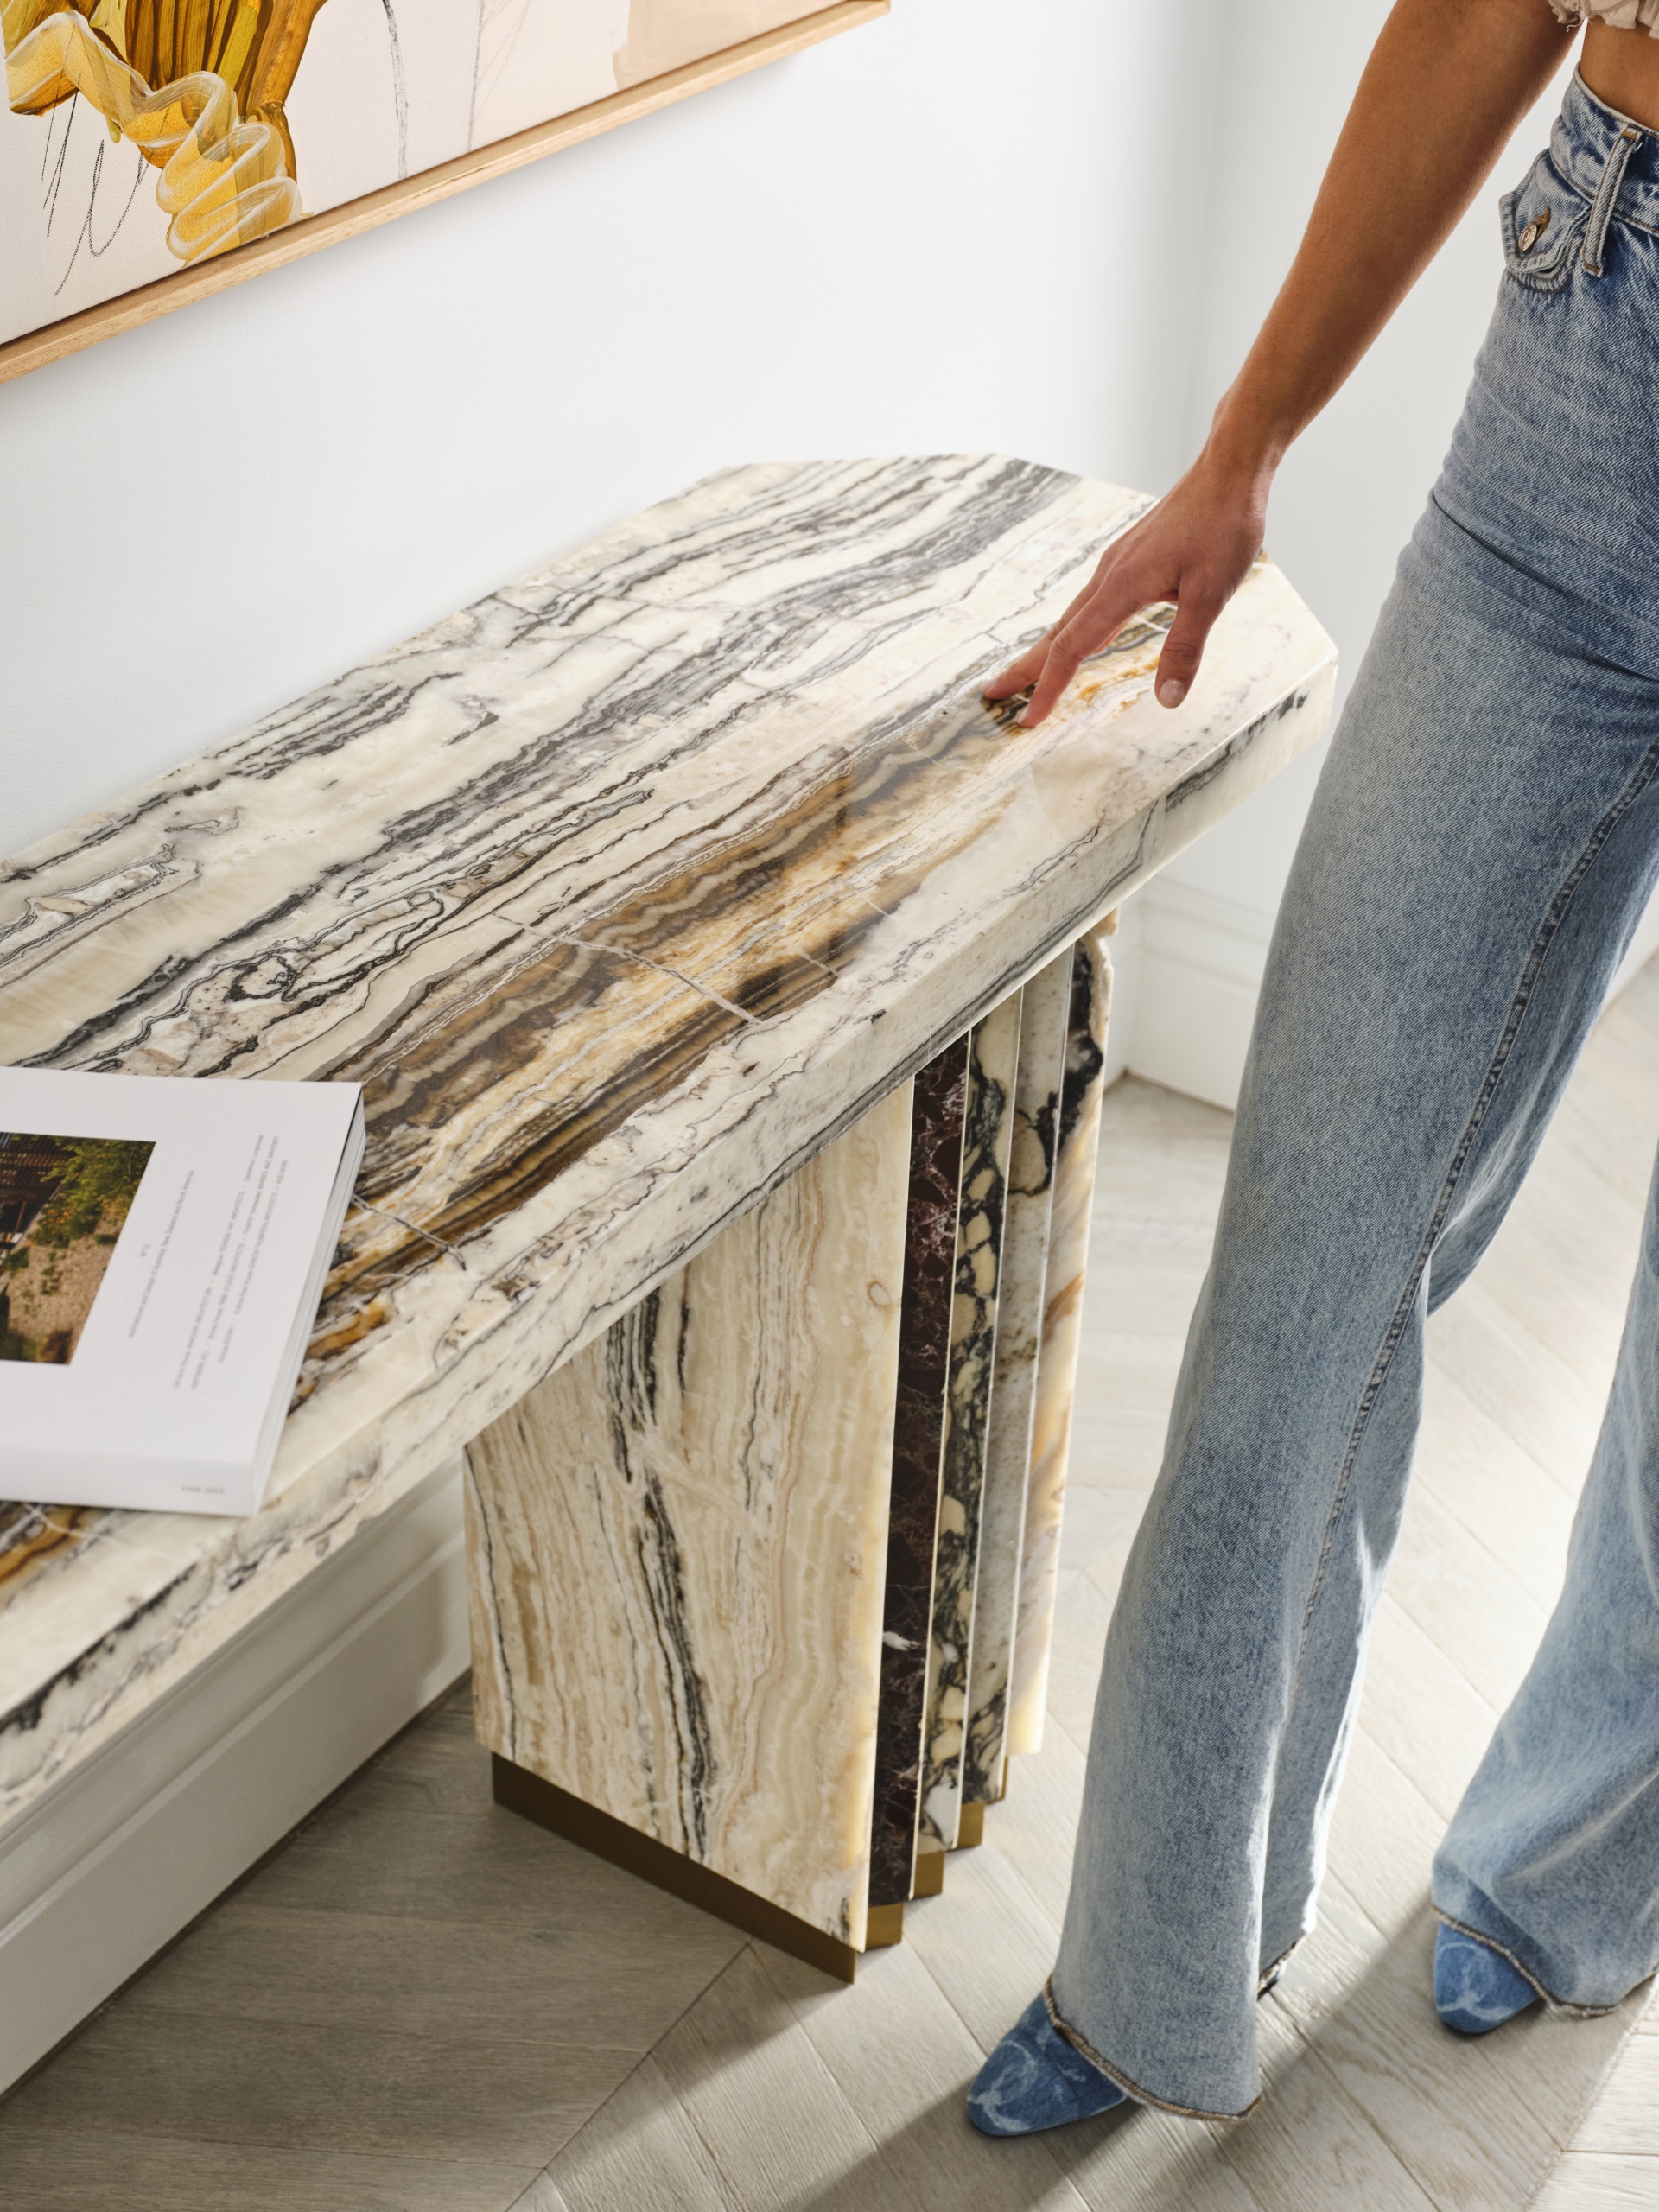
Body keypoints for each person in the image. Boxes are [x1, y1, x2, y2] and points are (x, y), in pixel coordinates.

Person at [968, 0, 1659, 2136]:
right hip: (1593, 337)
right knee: (1318, 1215)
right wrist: (1243, 447)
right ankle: (1155, 1957)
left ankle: (1578, 1857)